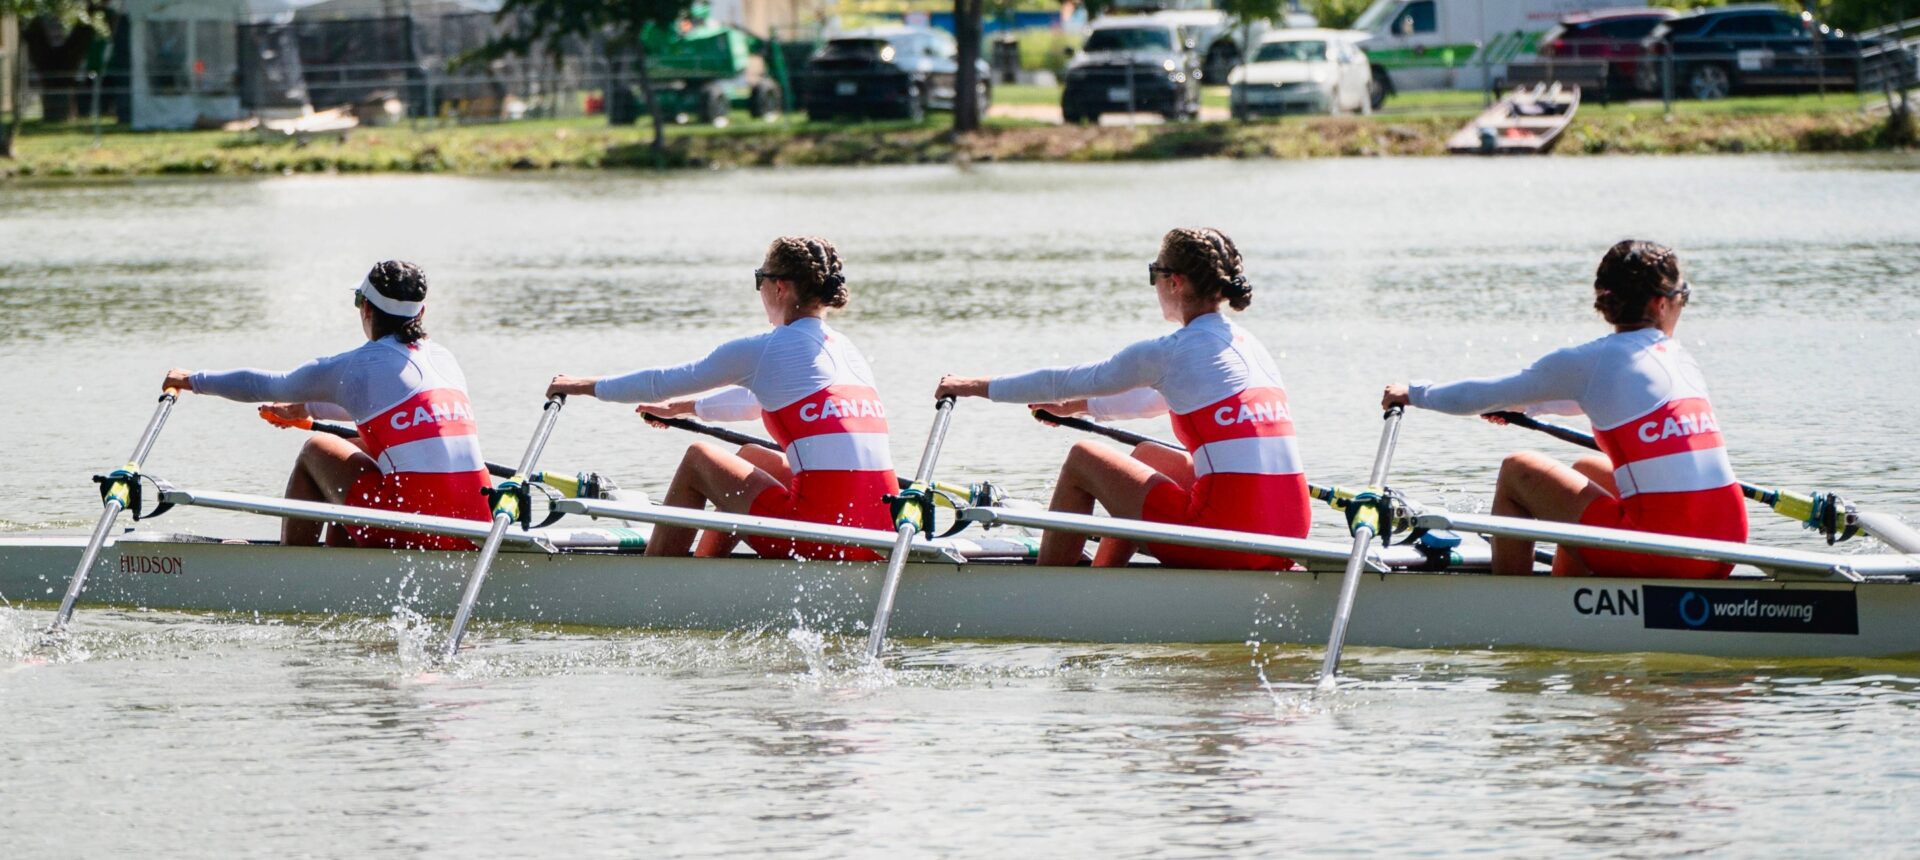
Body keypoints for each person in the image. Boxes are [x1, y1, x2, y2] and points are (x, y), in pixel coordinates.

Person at [935, 227, 1309, 569]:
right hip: (1291, 532)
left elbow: (1063, 380)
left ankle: (1051, 590)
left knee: (1084, 458)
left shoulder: (1172, 351)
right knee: (1148, 456)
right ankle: (1104, 577)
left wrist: (971, 386)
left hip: (1230, 536)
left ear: (1174, 281)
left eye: (1154, 273)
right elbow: (1152, 399)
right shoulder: (1247, 345)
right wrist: (1079, 407)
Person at [1382, 240, 1746, 578]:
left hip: (1667, 556)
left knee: (1517, 470)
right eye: (1684, 294)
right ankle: (1568, 591)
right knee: (1589, 469)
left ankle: (1514, 611)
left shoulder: (1592, 361)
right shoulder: (1679, 359)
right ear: (1660, 303)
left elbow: (1481, 395)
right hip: (1727, 547)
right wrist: (1525, 406)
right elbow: (1587, 400)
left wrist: (1413, 393)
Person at [546, 237, 895, 560]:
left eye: (760, 278)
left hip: (824, 537)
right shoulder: (847, 351)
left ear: (780, 287)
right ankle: (706, 565)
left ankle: (658, 585)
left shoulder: (767, 349)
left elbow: (662, 381)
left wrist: (583, 385)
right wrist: (686, 408)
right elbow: (755, 402)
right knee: (753, 458)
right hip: (882, 535)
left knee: (699, 458)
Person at [162, 261, 491, 549]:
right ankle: (343, 558)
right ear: (421, 313)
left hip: (417, 529)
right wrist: (306, 409)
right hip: (476, 529)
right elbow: (385, 409)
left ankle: (293, 566)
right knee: (354, 448)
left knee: (317, 449)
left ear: (367, 310)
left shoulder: (358, 367)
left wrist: (192, 380)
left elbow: (262, 385)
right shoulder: (444, 360)